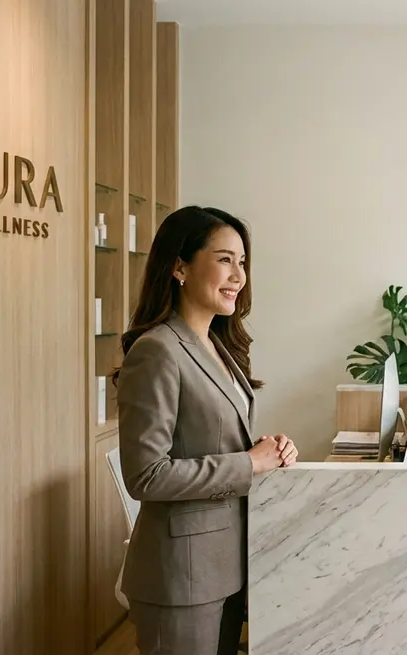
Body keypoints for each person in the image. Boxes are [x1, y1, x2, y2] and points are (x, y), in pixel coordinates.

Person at [113, 205, 297, 655]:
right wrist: (248, 463)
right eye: (224, 259)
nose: (238, 275)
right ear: (179, 266)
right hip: (181, 575)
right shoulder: (157, 351)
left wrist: (265, 450)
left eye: (242, 262)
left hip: (226, 563)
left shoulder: (217, 345)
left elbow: (211, 439)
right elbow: (146, 475)